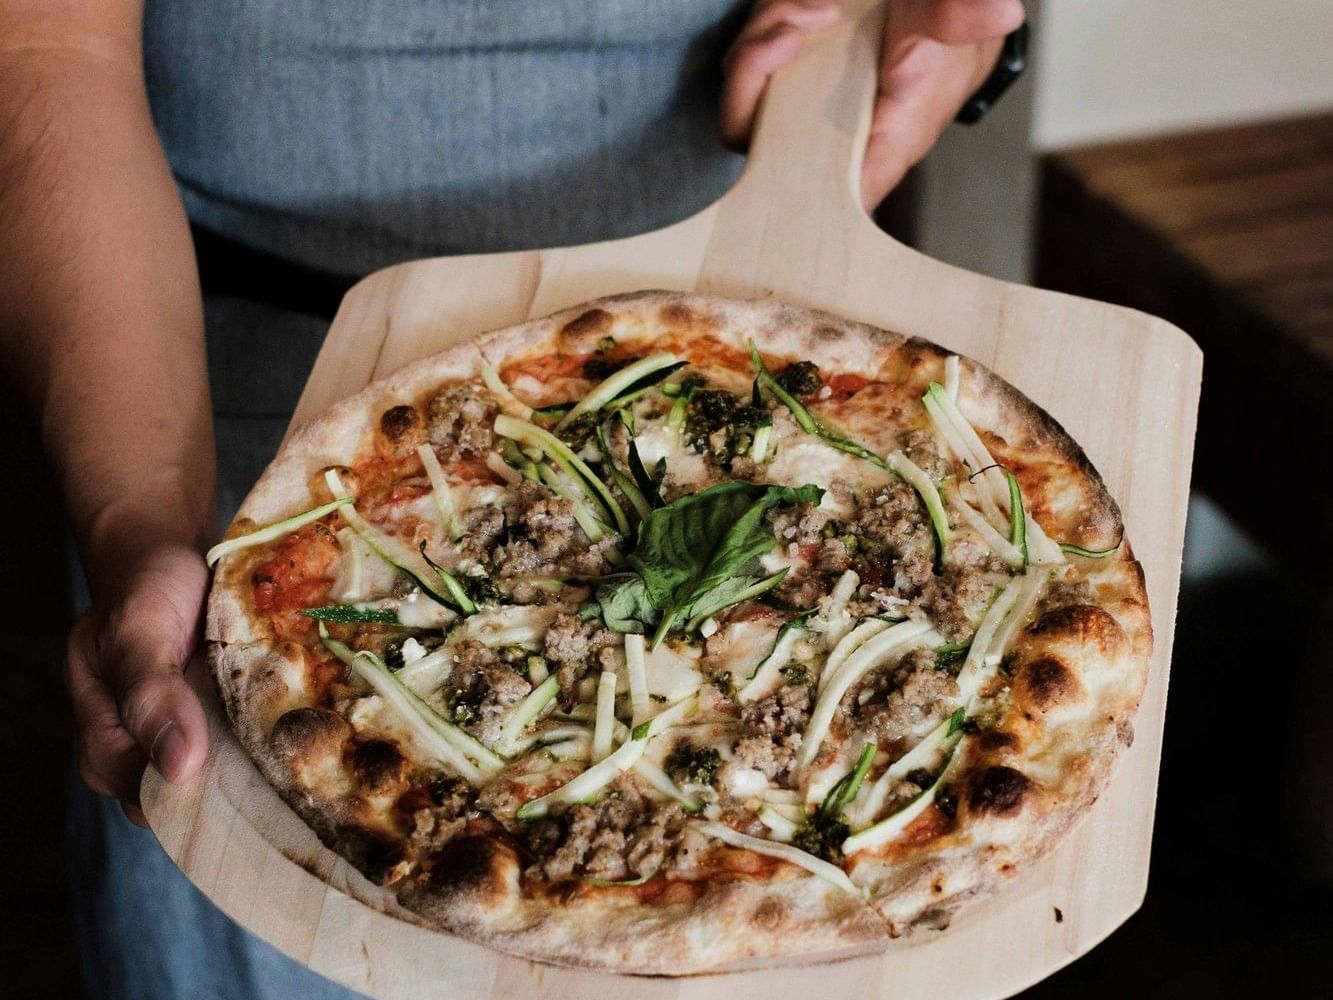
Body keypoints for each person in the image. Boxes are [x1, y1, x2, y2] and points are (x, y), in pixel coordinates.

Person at [0, 0, 1024, 996]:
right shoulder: (285, 595)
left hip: (727, 291)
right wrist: (136, 517)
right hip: (194, 385)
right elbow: (46, 42)